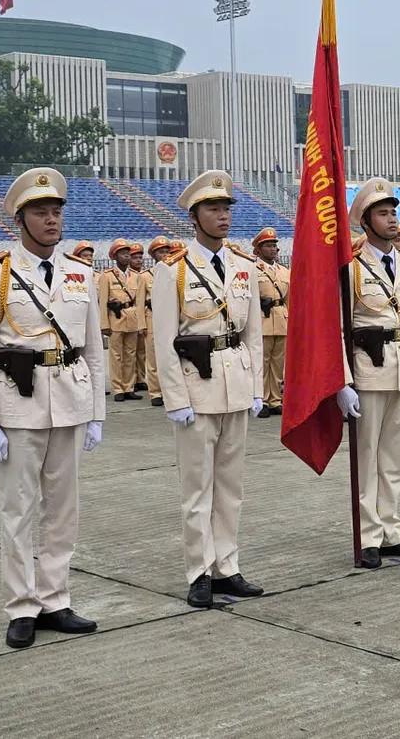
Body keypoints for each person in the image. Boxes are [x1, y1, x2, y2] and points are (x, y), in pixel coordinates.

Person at [0, 168, 106, 649]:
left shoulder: (79, 271)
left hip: (70, 402)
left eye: (55, 211)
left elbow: (92, 349)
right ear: (20, 220)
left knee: (62, 511)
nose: (50, 220)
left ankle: (55, 599)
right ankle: (21, 605)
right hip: (18, 409)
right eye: (40, 212)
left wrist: (97, 411)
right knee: (18, 510)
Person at [152, 170, 266, 605]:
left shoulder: (243, 267)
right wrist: (175, 398)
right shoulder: (173, 271)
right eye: (212, 209)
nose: (222, 216)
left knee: (231, 485)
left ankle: (228, 565)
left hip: (235, 383)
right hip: (195, 388)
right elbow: (163, 340)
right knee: (197, 487)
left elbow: (252, 333)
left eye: (225, 208)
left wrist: (256, 387)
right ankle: (199, 569)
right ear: (194, 217)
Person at [334, 178, 400, 568]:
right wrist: (343, 381)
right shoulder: (351, 267)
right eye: (383, 213)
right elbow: (340, 328)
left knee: (394, 457)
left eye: (393, 212)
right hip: (368, 370)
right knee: (368, 456)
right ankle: (369, 535)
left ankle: (392, 529)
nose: (392, 219)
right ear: (365, 222)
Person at [251, 227, 290, 418]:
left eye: (274, 245)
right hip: (262, 319)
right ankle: (263, 399)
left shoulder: (284, 271)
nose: (272, 249)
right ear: (258, 250)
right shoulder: (252, 269)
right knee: (262, 363)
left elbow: (289, 299)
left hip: (282, 318)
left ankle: (275, 400)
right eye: (268, 245)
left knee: (278, 363)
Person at [99, 238, 144, 401]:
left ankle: (129, 387)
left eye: (127, 254)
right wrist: (104, 324)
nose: (125, 256)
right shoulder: (107, 276)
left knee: (130, 355)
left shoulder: (136, 276)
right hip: (115, 319)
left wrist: (141, 323)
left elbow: (139, 302)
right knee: (116, 356)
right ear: (114, 256)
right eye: (122, 254)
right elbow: (103, 301)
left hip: (132, 318)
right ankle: (118, 389)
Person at [138, 236, 174, 407]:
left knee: (170, 357)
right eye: (161, 252)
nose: (165, 255)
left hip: (171, 320)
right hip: (152, 319)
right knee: (153, 358)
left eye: (167, 251)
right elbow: (139, 303)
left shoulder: (175, 273)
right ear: (153, 255)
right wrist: (141, 324)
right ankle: (155, 392)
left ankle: (169, 390)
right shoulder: (145, 276)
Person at [128, 243, 149, 392]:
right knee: (130, 352)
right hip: (127, 317)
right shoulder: (126, 276)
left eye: (140, 257)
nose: (138, 260)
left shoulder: (146, 274)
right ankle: (131, 380)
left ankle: (141, 377)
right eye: (134, 257)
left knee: (142, 351)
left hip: (143, 316)